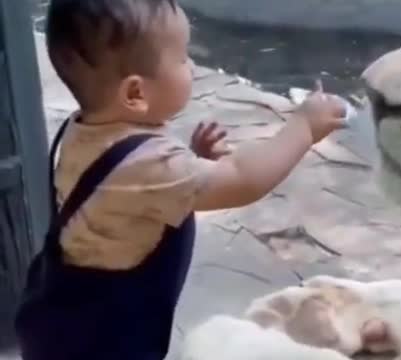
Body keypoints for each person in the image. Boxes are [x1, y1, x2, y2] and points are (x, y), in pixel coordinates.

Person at [14, 0, 346, 359]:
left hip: (65, 314)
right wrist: (303, 126)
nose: (191, 65)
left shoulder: (84, 128)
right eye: (183, 58)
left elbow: (134, 191)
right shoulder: (152, 166)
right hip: (106, 340)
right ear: (136, 94)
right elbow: (242, 178)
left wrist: (193, 160)